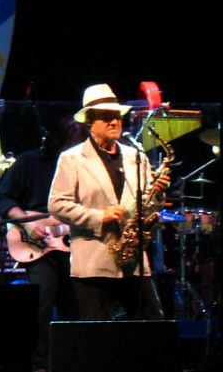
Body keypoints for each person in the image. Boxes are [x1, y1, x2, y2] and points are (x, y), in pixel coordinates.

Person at [48, 84, 170, 322]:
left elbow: (147, 207)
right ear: (90, 122)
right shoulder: (72, 159)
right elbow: (57, 204)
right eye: (106, 117)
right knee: (98, 335)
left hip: (133, 261)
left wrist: (157, 194)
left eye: (117, 116)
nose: (114, 122)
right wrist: (99, 216)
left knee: (153, 325)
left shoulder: (137, 157)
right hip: (94, 263)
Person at [0, 116, 87, 372]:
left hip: (74, 245)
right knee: (42, 301)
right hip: (38, 244)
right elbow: (3, 197)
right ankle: (38, 366)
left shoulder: (84, 167)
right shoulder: (30, 162)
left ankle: (71, 365)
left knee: (75, 304)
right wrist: (26, 222)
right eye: (71, 144)